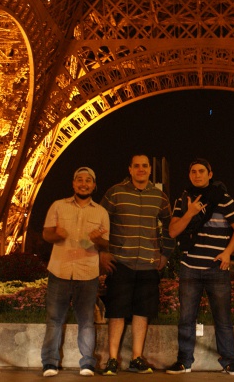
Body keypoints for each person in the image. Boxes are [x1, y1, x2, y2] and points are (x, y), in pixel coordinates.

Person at [165, 159, 234, 376]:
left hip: (216, 267)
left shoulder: (224, 199)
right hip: (189, 266)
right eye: (193, 171)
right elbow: (172, 231)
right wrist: (189, 213)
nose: (197, 175)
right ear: (189, 175)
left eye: (201, 171)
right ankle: (184, 361)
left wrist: (228, 252)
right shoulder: (182, 200)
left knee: (223, 318)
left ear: (210, 174)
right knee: (186, 318)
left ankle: (229, 361)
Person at [99, 154, 173, 376]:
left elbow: (169, 226)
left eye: (145, 166)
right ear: (130, 169)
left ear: (149, 169)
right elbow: (99, 221)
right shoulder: (115, 193)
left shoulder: (159, 196)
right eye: (137, 166)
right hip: (121, 263)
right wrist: (103, 252)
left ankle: (136, 358)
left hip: (149, 264)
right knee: (116, 312)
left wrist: (165, 254)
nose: (141, 169)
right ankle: (112, 359)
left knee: (143, 312)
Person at [41, 167, 110, 377]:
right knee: (54, 320)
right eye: (79, 180)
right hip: (59, 270)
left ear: (94, 185)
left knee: (86, 321)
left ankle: (87, 363)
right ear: (73, 183)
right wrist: (57, 235)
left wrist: (97, 239)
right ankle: (49, 363)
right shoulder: (58, 206)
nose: (83, 184)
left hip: (87, 273)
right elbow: (46, 234)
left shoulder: (101, 212)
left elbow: (105, 244)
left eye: (88, 180)